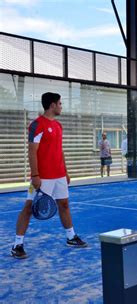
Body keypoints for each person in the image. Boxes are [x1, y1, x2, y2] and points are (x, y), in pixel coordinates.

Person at [11, 92, 87, 259]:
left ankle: (71, 237)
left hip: (59, 175)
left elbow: (60, 151)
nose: (61, 106)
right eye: (60, 103)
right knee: (29, 208)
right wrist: (35, 175)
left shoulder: (59, 126)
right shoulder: (36, 125)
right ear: (52, 105)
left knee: (64, 205)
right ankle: (17, 245)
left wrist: (66, 172)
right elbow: (32, 151)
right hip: (42, 176)